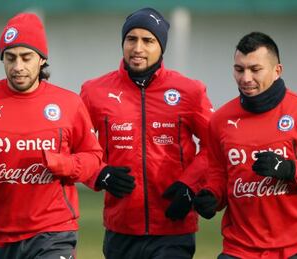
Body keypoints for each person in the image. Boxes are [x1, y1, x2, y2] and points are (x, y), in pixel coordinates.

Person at [0, 13, 103, 259]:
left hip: (55, 232)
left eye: (26, 57)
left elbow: (93, 157)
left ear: (42, 59)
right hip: (2, 236)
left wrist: (63, 164)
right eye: (10, 58)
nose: (17, 66)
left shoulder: (69, 103)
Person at [193, 31, 297, 259]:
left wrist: (291, 169)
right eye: (239, 69)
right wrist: (211, 197)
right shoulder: (220, 120)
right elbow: (219, 175)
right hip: (238, 248)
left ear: (277, 71)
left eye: (255, 69)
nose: (246, 78)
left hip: (295, 248)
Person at [80, 7, 213, 259]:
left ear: (162, 46)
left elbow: (214, 145)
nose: (138, 48)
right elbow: (76, 148)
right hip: (120, 229)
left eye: (148, 40)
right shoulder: (93, 91)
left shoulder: (190, 91)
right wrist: (99, 174)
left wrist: (190, 185)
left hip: (174, 227)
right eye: (131, 39)